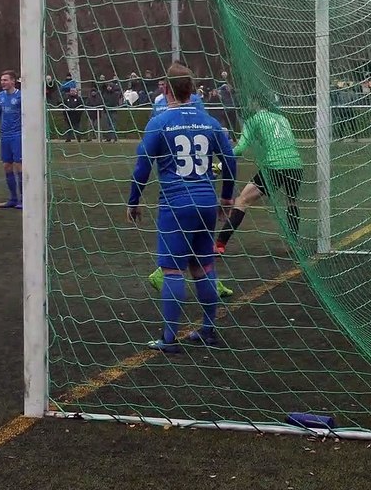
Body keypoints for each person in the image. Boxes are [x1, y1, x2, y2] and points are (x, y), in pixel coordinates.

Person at [127, 62, 236, 352]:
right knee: (203, 266)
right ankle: (208, 330)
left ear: (166, 89)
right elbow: (229, 159)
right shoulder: (209, 121)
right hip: (206, 203)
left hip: (176, 204)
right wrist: (226, 197)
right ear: (192, 89)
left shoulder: (160, 122)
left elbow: (142, 166)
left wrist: (133, 201)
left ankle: (169, 339)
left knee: (172, 271)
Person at [215, 101, 304, 254]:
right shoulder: (282, 118)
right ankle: (294, 244)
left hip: (275, 166)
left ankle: (220, 243)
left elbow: (240, 149)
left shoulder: (254, 120)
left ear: (254, 103)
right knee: (291, 202)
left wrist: (220, 164)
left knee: (242, 201)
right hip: (296, 165)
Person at [0, 70, 23, 209]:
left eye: (5, 80)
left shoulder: (21, 96)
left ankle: (24, 199)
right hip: (5, 135)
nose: (3, 82)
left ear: (13, 81)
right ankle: (13, 198)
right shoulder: (0, 96)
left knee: (19, 165)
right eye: (2, 80)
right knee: (7, 166)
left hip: (17, 134)